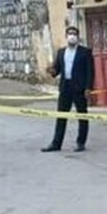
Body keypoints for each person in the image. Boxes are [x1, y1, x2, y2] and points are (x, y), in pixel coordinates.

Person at [41, 25, 94, 153]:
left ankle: (81, 142)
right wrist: (51, 71)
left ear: (77, 37)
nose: (72, 36)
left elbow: (90, 72)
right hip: (65, 88)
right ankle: (56, 143)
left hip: (79, 88)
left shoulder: (85, 52)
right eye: (69, 34)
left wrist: (88, 88)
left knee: (82, 116)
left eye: (74, 34)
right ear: (66, 37)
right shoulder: (61, 52)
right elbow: (56, 71)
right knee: (61, 116)